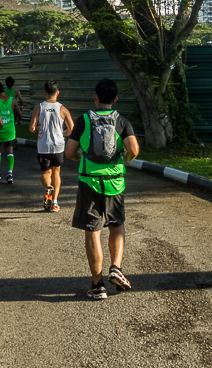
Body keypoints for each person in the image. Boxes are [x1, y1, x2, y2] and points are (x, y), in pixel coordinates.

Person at [65, 78, 139, 300]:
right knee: (117, 226)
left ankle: (97, 286)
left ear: (95, 97)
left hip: (90, 182)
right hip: (115, 182)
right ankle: (115, 267)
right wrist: (124, 160)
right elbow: (134, 150)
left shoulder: (83, 121)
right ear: (115, 99)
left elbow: (69, 152)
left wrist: (83, 157)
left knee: (93, 231)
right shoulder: (122, 122)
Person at [29, 81, 74, 213]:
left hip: (44, 145)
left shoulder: (39, 108)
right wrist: (62, 133)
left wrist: (38, 129)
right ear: (57, 93)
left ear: (45, 93)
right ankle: (54, 202)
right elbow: (72, 129)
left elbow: (31, 128)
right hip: (58, 145)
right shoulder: (63, 109)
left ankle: (48, 187)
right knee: (56, 172)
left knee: (45, 172)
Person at [0, 82, 21, 185]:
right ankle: (9, 173)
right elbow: (19, 113)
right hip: (9, 131)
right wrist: (18, 120)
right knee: (10, 151)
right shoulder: (12, 100)